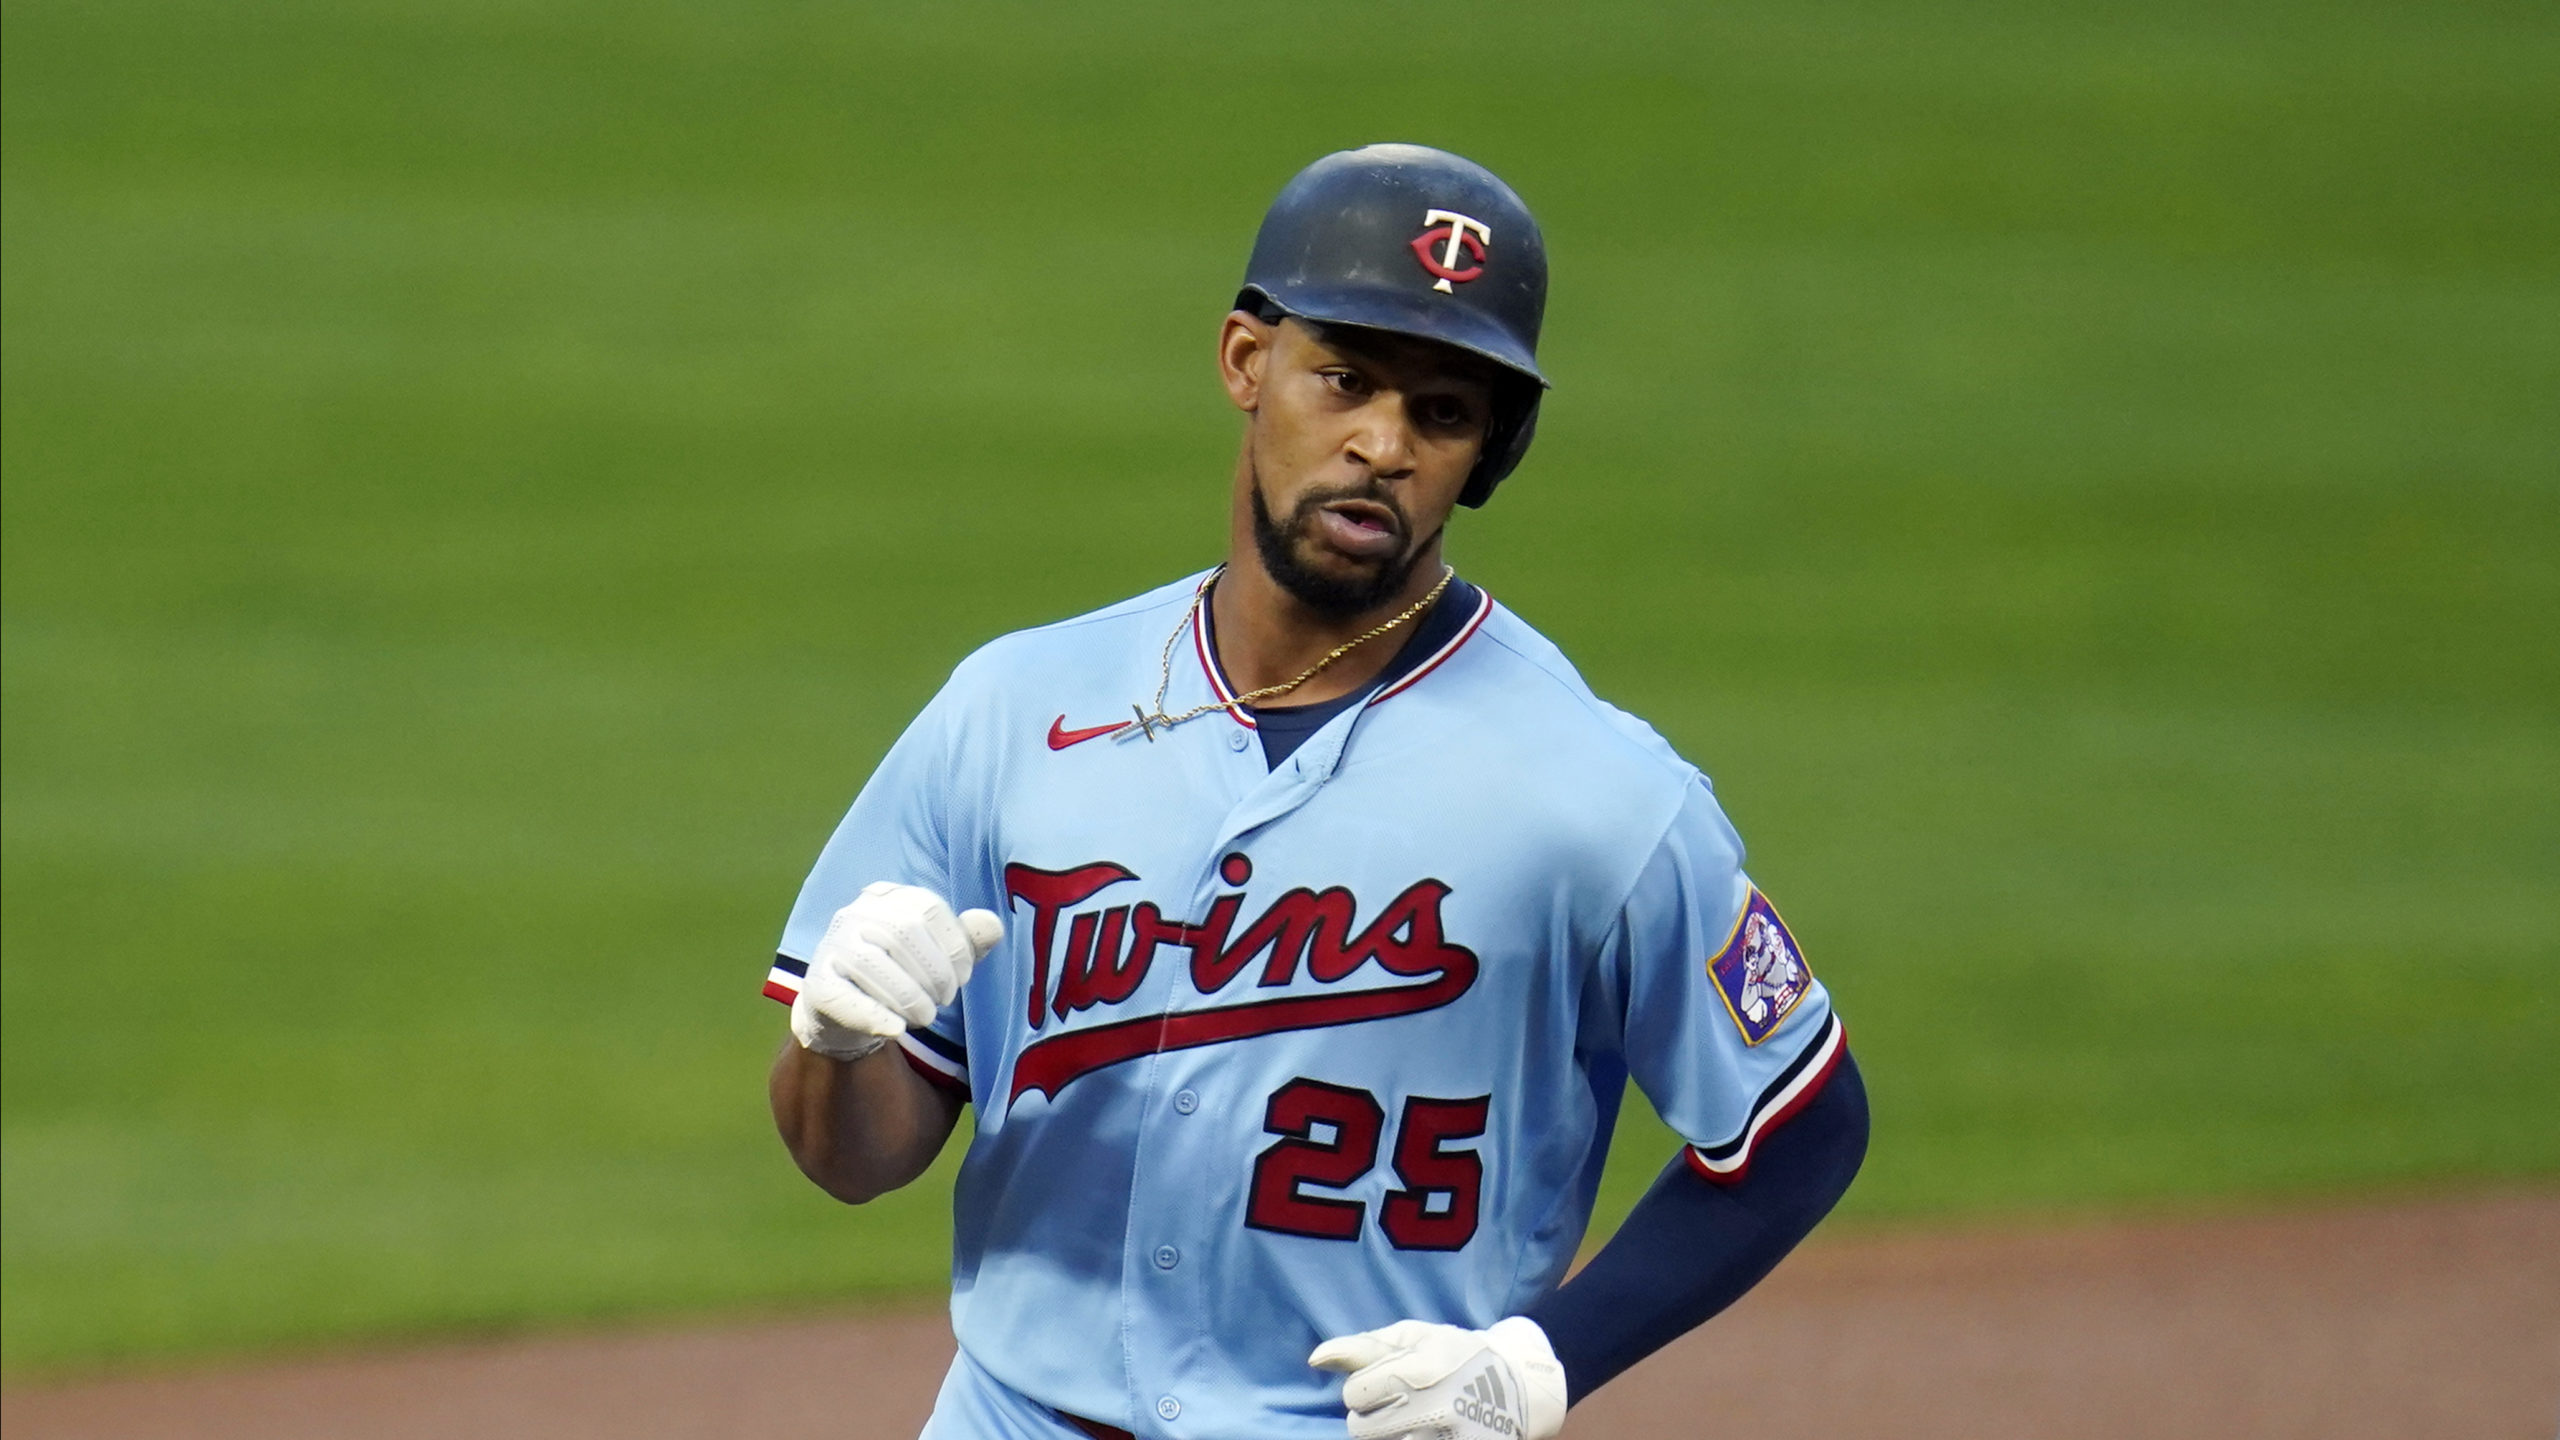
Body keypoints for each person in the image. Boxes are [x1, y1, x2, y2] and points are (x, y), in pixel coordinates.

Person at [763, 143, 1868, 1440]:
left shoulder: (1597, 797)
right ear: (1246, 361)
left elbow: (1801, 1124)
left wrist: (1544, 1360)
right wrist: (835, 1048)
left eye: (1443, 413)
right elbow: (851, 1159)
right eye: (1344, 379)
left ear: (1489, 454)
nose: (1383, 446)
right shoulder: (1010, 711)